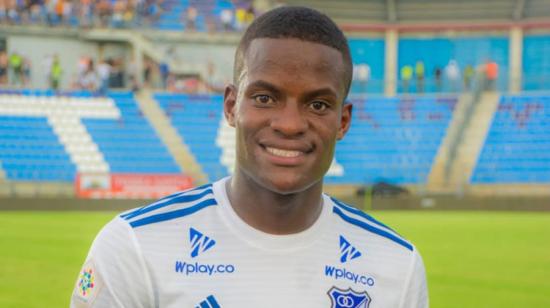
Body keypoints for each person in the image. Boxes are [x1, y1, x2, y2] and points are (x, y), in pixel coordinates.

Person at [71, 6, 428, 308]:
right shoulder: (133, 246)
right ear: (231, 106)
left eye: (318, 104)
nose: (289, 125)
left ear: (343, 121)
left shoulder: (397, 265)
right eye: (264, 98)